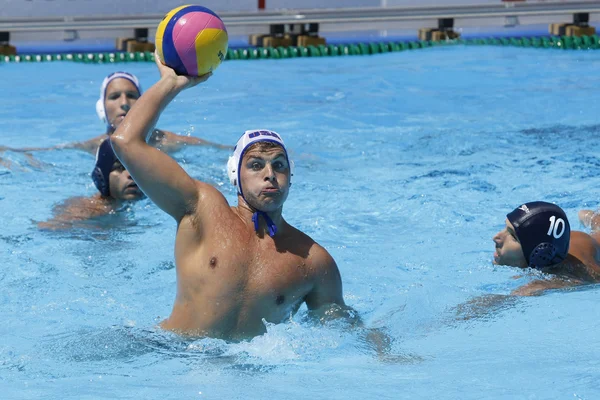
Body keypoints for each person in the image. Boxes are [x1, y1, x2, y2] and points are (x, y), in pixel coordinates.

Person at [108, 56, 354, 341]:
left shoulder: (313, 261)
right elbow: (125, 141)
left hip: (248, 371)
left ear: (291, 177)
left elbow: (343, 330)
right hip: (172, 355)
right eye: (256, 165)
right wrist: (170, 84)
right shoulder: (203, 209)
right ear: (236, 176)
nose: (270, 174)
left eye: (280, 165)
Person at [4, 71, 230, 155]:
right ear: (102, 109)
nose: (124, 103)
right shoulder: (97, 146)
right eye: (114, 97)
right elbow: (48, 152)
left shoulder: (166, 141)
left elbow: (219, 151)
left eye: (132, 96)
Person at [492, 201, 600, 296]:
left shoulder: (563, 279)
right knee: (585, 214)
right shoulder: (554, 248)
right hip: (585, 238)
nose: (496, 237)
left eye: (513, 236)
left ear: (539, 253)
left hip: (588, 245)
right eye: (505, 228)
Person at [37, 138, 144, 230]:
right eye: (119, 168)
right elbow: (47, 228)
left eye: (136, 167)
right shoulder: (90, 210)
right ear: (102, 176)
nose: (131, 174)